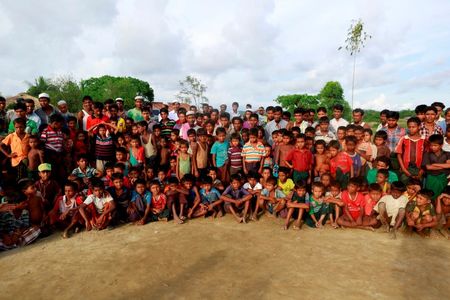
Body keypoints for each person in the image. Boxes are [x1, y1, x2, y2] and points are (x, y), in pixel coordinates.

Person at [395, 117, 426, 184]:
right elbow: (399, 154)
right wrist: (403, 168)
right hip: (406, 168)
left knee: (417, 186)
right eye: (409, 127)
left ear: (419, 127)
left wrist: (422, 170)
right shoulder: (404, 139)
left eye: (413, 127)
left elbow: (426, 156)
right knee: (404, 184)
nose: (411, 129)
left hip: (419, 169)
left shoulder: (424, 140)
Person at [421, 134, 450, 201]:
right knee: (429, 195)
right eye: (431, 145)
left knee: (440, 196)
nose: (432, 147)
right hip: (431, 178)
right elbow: (428, 167)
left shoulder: (447, 154)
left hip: (442, 178)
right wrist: (444, 166)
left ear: (441, 145)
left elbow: (449, 165)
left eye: (435, 145)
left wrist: (435, 164)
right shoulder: (427, 154)